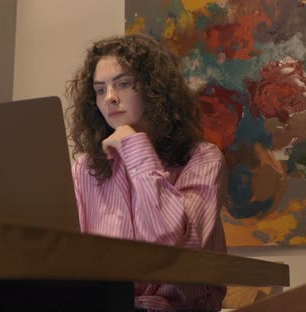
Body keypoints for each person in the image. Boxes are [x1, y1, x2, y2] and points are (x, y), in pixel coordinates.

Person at [66, 34, 228, 312]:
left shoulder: (202, 159)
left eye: (124, 84)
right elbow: (71, 261)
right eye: (100, 89)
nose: (110, 98)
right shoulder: (85, 168)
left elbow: (172, 247)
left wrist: (134, 145)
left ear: (154, 90)